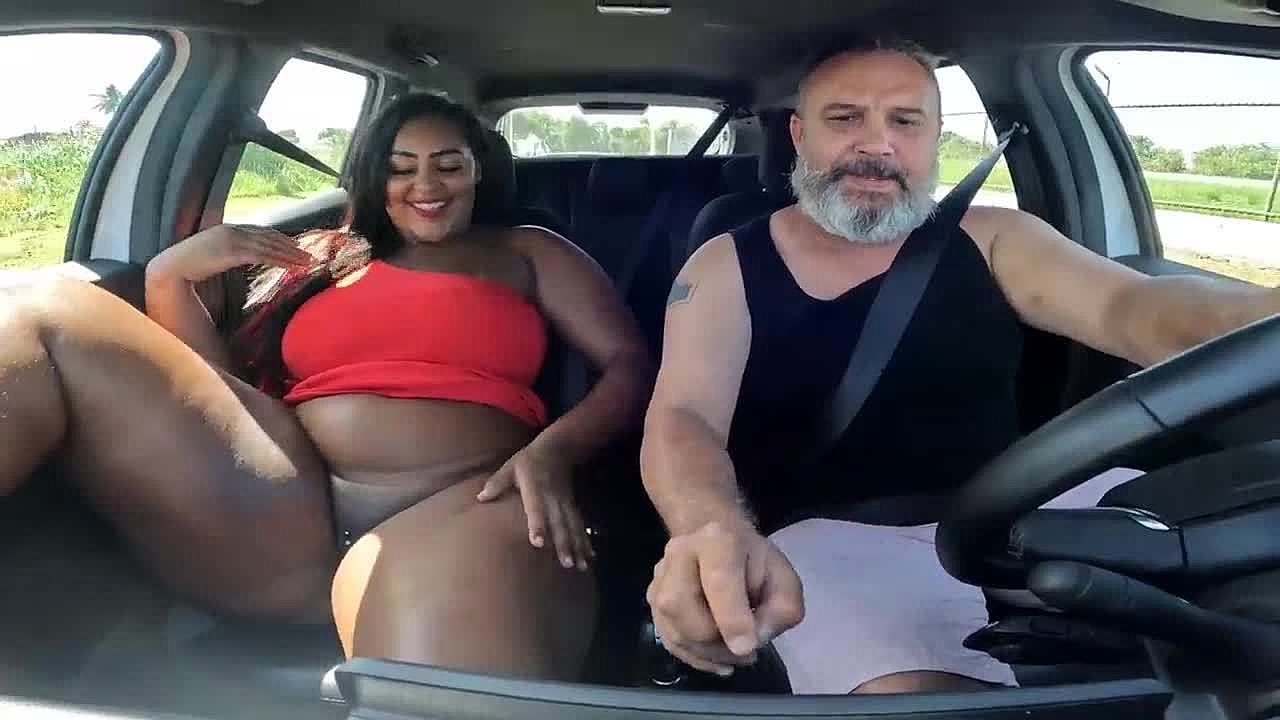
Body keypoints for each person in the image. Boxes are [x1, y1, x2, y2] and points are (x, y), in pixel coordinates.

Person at [640, 36, 1280, 695]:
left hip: (1022, 507)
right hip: (831, 540)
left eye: (906, 121)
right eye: (846, 117)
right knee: (912, 700)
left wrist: (1258, 314)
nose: (877, 143)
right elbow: (685, 416)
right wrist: (711, 524)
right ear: (800, 135)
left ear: (935, 139)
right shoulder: (726, 264)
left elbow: (1135, 307)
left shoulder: (995, 237)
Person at [0, 92, 652, 681]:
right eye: (401, 167)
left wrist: (553, 452)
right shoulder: (323, 254)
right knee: (43, 310)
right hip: (281, 503)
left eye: (449, 165)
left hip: (463, 502)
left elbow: (628, 363)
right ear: (373, 176)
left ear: (479, 170)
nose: (426, 184)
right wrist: (169, 277)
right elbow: (218, 391)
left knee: (425, 667)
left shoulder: (527, 251)